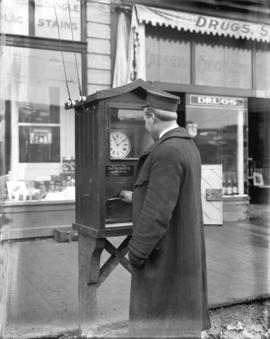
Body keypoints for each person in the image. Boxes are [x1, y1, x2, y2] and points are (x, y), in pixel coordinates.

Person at [120, 89, 211, 337]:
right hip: (181, 251)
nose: (145, 126)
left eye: (144, 120)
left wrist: (136, 253)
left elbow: (157, 213)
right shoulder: (187, 146)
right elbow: (172, 194)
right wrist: (135, 195)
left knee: (158, 327)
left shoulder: (166, 151)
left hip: (165, 256)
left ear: (152, 116)